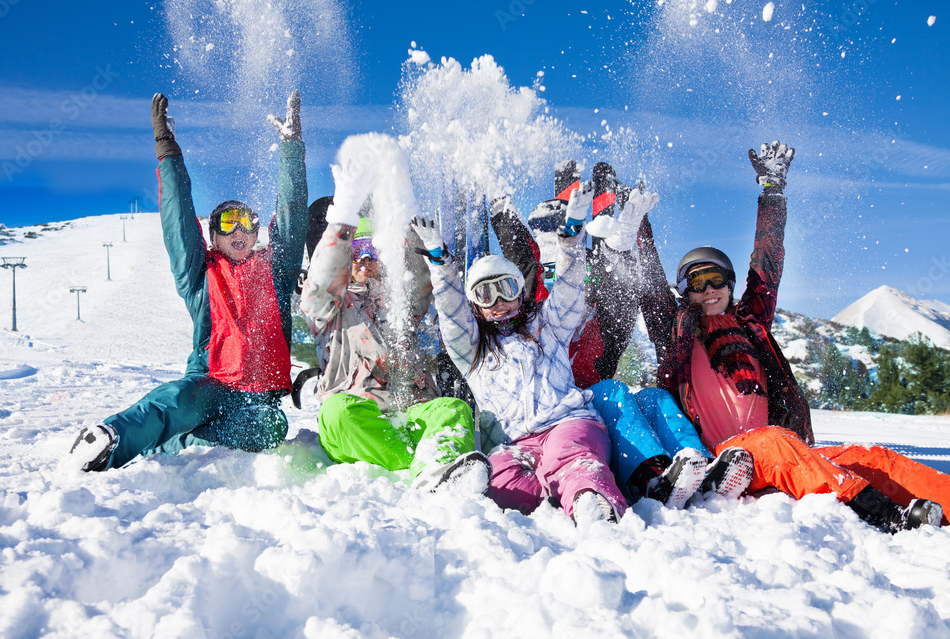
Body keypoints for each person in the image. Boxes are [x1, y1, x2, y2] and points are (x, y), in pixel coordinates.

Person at [601, 140, 945, 532]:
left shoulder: (751, 323)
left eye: (717, 279)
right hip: (723, 461)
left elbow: (767, 262)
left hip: (786, 449)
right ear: (684, 291)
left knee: (875, 457)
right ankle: (885, 514)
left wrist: (773, 189)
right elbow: (648, 281)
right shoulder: (679, 330)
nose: (709, 289)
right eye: (697, 282)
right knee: (773, 442)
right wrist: (635, 219)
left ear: (730, 285)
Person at [68, 91, 308, 471]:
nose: (238, 230)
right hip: (209, 382)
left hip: (259, 396)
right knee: (175, 402)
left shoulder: (275, 273)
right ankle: (109, 440)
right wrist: (167, 150)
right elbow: (179, 224)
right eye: (227, 224)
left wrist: (292, 150)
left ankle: (184, 438)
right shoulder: (202, 274)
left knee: (271, 428)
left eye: (247, 222)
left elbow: (293, 220)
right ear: (213, 237)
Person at [487, 182, 724, 510]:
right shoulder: (542, 314)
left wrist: (627, 234)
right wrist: (501, 210)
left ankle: (700, 466)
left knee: (654, 398)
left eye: (584, 283)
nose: (577, 291)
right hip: (564, 414)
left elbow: (613, 281)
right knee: (611, 391)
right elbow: (526, 262)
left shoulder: (602, 318)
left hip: (593, 414)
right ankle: (649, 478)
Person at [411, 183, 629, 525]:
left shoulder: (549, 325)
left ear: (520, 291)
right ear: (476, 306)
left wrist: (571, 239)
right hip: (514, 441)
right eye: (486, 294)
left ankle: (593, 503)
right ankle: (544, 497)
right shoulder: (473, 351)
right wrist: (442, 266)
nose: (498, 302)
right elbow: (452, 316)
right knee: (499, 475)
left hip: (567, 423)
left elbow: (570, 293)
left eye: (506, 288)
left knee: (570, 456)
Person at [299, 172, 488, 491]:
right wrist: (344, 214)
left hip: (409, 413)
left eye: (373, 249)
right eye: (357, 250)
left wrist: (404, 211)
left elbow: (418, 274)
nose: (366, 259)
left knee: (453, 410)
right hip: (360, 413)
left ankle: (434, 472)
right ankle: (428, 461)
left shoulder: (400, 301)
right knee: (336, 414)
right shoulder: (332, 307)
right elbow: (321, 282)